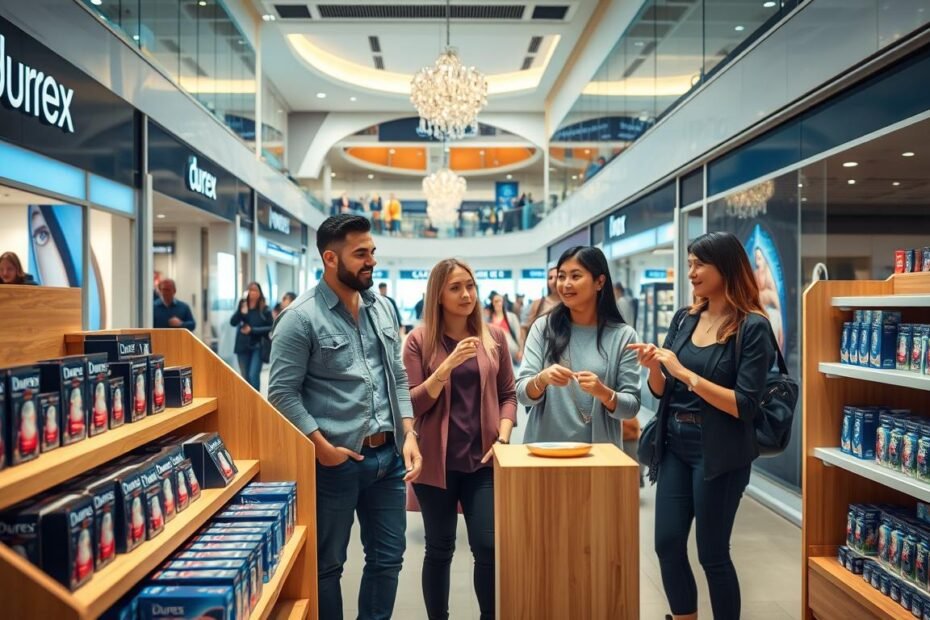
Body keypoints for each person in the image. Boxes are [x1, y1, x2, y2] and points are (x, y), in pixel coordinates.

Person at [268, 214, 422, 620]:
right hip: (335, 464)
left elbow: (398, 377)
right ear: (331, 259)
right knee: (327, 566)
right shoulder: (300, 318)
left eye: (372, 251)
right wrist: (321, 447)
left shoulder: (383, 307)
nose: (370, 260)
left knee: (388, 559)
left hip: (388, 458)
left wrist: (409, 433)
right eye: (360, 254)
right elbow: (281, 393)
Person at [628, 231, 776, 620]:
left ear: (725, 267)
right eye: (689, 263)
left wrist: (686, 373)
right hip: (675, 443)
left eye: (698, 264)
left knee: (712, 554)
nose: (691, 272)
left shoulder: (752, 327)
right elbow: (662, 391)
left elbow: (744, 405)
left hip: (720, 451)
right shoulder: (685, 317)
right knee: (667, 544)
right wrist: (657, 368)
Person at [403, 258, 516, 620]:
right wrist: (447, 366)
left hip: (481, 461)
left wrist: (504, 435)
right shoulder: (419, 341)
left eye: (470, 285)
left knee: (487, 546)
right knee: (439, 548)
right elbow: (413, 402)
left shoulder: (494, 337)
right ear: (438, 295)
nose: (466, 294)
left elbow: (508, 394)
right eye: (455, 287)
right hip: (435, 464)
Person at [517, 246, 641, 448]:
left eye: (575, 276)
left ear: (599, 282)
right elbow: (522, 394)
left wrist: (603, 392)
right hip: (544, 451)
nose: (566, 284)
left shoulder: (623, 336)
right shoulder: (543, 328)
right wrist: (541, 379)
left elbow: (631, 407)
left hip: (599, 457)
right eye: (561, 276)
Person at [229, 282, 273, 391]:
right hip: (242, 345)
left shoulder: (265, 309)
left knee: (253, 375)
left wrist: (252, 330)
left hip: (258, 346)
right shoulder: (243, 305)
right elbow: (233, 322)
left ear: (259, 293)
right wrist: (240, 311)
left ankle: (256, 404)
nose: (252, 292)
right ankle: (247, 403)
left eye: (255, 290)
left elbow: (271, 327)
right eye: (250, 290)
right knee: (245, 378)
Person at [521, 267, 559, 348]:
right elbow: (524, 327)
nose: (554, 281)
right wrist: (522, 349)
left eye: (558, 277)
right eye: (550, 278)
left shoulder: (570, 304)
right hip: (539, 346)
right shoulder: (537, 303)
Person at [487, 293, 523, 365]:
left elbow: (519, 335)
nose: (498, 303)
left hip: (511, 351)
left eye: (500, 301)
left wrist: (521, 350)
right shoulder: (489, 319)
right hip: (495, 354)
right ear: (492, 303)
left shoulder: (511, 317)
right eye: (496, 301)